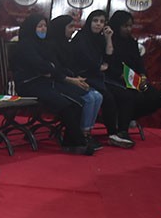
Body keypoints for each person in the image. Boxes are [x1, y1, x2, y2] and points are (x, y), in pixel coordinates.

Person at [8, 13, 93, 155]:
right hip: (29, 85)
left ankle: (71, 143)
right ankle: (79, 142)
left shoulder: (44, 44)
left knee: (77, 101)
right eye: (39, 26)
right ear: (31, 27)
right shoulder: (25, 45)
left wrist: (49, 69)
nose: (43, 29)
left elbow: (52, 66)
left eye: (44, 26)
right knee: (66, 104)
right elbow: (41, 66)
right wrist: (49, 69)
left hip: (46, 82)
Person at [69, 10, 135, 148]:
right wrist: (99, 66)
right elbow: (85, 61)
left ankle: (120, 131)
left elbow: (108, 58)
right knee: (106, 97)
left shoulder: (99, 38)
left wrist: (108, 38)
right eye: (95, 21)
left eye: (102, 22)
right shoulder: (81, 37)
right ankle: (105, 133)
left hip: (97, 77)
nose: (98, 24)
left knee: (124, 94)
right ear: (89, 21)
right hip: (82, 76)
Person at [45, 15, 103, 149]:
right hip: (57, 82)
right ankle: (82, 134)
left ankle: (87, 132)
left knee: (97, 96)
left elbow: (72, 66)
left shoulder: (68, 44)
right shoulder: (51, 46)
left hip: (71, 79)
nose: (73, 30)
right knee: (89, 98)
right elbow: (56, 70)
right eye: (70, 27)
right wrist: (73, 80)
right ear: (61, 28)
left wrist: (78, 78)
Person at [105, 10, 161, 124]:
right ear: (117, 25)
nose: (128, 29)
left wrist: (143, 76)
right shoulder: (109, 41)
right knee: (131, 96)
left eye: (130, 26)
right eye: (125, 26)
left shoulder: (131, 42)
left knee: (156, 97)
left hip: (133, 79)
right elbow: (108, 64)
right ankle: (122, 125)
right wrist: (121, 76)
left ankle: (127, 117)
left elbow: (139, 62)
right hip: (115, 79)